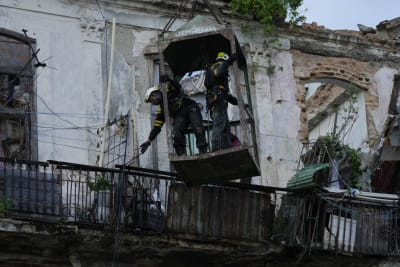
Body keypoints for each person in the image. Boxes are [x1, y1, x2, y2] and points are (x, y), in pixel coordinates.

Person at [140, 75, 207, 156]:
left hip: (190, 107)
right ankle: (181, 154)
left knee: (198, 128)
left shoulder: (168, 89)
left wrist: (169, 79)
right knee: (176, 131)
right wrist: (148, 141)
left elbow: (177, 86)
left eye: (151, 100)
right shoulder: (161, 110)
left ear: (155, 94)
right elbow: (156, 128)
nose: (153, 103)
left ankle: (202, 151)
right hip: (180, 115)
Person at [204, 51, 238, 151]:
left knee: (225, 127)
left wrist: (237, 102)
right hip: (218, 100)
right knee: (219, 124)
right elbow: (218, 73)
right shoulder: (217, 65)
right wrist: (228, 62)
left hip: (219, 98)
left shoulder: (214, 71)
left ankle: (227, 147)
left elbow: (225, 93)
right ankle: (216, 148)